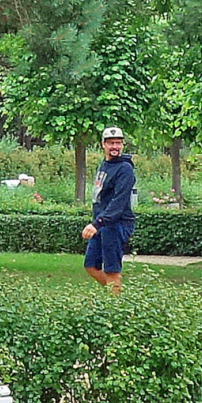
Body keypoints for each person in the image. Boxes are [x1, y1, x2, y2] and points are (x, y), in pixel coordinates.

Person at [82, 126, 136, 295]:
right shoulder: (105, 164)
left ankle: (116, 304)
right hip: (102, 223)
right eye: (111, 143)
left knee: (112, 270)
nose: (115, 147)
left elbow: (118, 203)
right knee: (90, 266)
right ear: (103, 144)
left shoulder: (125, 169)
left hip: (116, 224)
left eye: (118, 143)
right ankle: (117, 295)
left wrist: (98, 223)